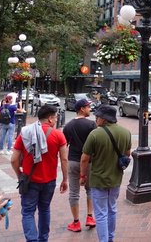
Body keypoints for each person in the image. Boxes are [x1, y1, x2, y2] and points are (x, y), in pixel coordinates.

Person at [11, 105, 68, 242]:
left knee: (28, 212)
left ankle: (32, 240)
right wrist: (65, 179)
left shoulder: (25, 133)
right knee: (44, 209)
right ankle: (43, 239)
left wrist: (20, 175)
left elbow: (13, 159)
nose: (55, 120)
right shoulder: (58, 135)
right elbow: (64, 159)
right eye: (55, 117)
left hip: (30, 180)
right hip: (49, 181)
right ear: (50, 118)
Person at [80, 105, 131, 242]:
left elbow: (84, 158)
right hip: (116, 178)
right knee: (112, 209)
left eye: (97, 117)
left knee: (101, 213)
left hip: (98, 179)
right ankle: (110, 238)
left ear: (104, 119)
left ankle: (103, 240)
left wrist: (83, 176)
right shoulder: (126, 133)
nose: (95, 119)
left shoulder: (95, 134)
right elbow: (127, 154)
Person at [63, 99, 97, 232]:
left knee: (74, 192)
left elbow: (64, 145)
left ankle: (76, 222)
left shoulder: (68, 126)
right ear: (82, 109)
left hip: (73, 161)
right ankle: (90, 217)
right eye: (88, 107)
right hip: (88, 162)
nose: (90, 109)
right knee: (90, 189)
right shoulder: (91, 125)